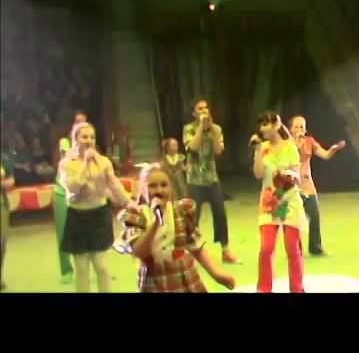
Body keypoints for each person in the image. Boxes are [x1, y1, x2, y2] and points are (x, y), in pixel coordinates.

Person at [117, 163, 235, 292]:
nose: (159, 190)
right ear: (142, 189)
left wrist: (216, 274)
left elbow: (196, 247)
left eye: (164, 185)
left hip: (184, 277)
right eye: (152, 186)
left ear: (171, 187)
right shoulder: (136, 216)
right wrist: (156, 222)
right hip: (154, 281)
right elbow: (139, 253)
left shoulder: (181, 211)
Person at [58, 122, 138, 293]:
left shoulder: (104, 162)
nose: (89, 140)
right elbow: (73, 187)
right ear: (75, 139)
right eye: (84, 137)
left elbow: (114, 184)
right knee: (81, 268)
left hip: (99, 215)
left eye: (92, 137)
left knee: (102, 266)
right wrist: (85, 164)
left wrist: (128, 201)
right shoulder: (66, 164)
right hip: (77, 216)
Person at [251, 111, 306, 293]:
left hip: (289, 201)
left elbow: (298, 177)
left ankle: (297, 289)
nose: (262, 128)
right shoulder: (263, 148)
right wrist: (257, 152)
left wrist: (287, 177)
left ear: (276, 125)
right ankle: (264, 289)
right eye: (261, 125)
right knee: (266, 248)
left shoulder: (290, 147)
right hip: (269, 202)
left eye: (266, 124)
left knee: (292, 249)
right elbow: (258, 174)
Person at [182, 97, 239, 264]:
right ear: (193, 113)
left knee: (220, 214)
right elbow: (193, 147)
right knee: (193, 217)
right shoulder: (189, 129)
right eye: (199, 109)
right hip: (194, 179)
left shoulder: (217, 129)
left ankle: (225, 251)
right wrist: (201, 127)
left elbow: (218, 151)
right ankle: (191, 252)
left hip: (212, 178)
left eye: (205, 108)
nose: (204, 111)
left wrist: (212, 130)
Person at [289, 115, 346, 256]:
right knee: (294, 220)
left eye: (302, 126)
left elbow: (325, 155)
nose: (299, 129)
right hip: (291, 185)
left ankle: (316, 248)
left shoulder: (309, 141)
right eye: (296, 126)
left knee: (314, 216)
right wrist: (296, 144)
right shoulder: (286, 144)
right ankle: (295, 249)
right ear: (290, 129)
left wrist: (333, 149)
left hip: (307, 185)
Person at [53, 110, 87, 285]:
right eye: (77, 121)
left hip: (82, 194)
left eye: (84, 122)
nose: (81, 124)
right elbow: (67, 159)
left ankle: (93, 267)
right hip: (62, 193)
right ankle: (66, 270)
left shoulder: (90, 145)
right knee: (63, 233)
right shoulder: (64, 142)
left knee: (87, 231)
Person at [1, 151, 15, 291]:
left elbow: (11, 180)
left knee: (1, 244)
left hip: (2, 207)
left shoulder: (3, 158)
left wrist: (4, 183)